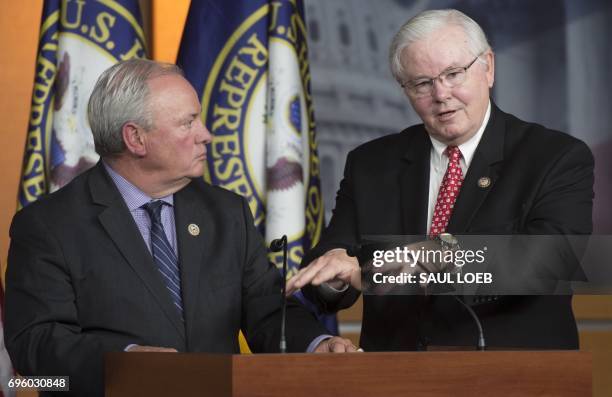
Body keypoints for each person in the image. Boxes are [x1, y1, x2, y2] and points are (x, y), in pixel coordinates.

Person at [5, 59, 355, 396]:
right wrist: (123, 362)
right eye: (188, 123)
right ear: (135, 138)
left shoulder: (225, 211)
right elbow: (35, 343)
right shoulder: (48, 225)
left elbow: (266, 309)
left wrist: (317, 345)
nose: (207, 134)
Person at [287, 9, 594, 351]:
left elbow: (546, 259)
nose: (441, 94)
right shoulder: (371, 164)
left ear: (488, 67)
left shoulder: (555, 156)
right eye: (422, 83)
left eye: (453, 74)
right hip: (396, 378)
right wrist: (335, 278)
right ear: (405, 89)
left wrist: (419, 260)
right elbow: (333, 267)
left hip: (513, 375)